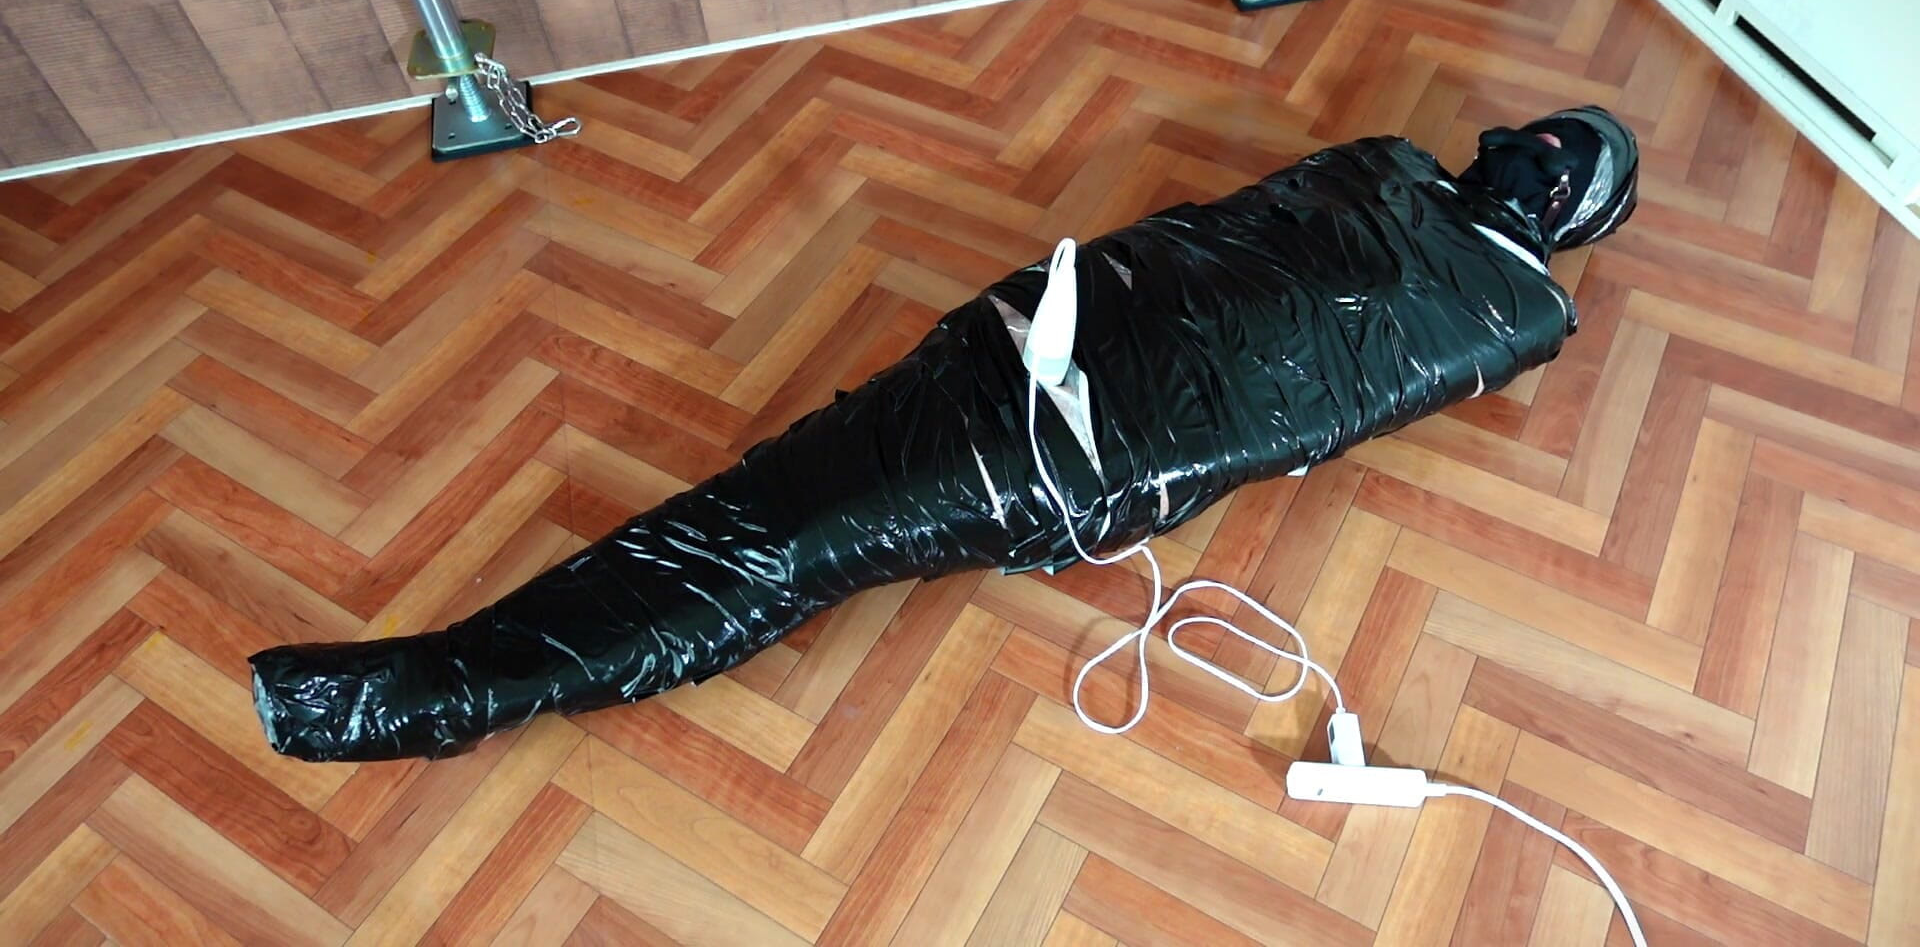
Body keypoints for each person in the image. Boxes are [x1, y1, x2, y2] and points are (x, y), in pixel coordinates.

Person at [249, 107, 1639, 763]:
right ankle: (444, 676)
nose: (1532, 149)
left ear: (1573, 218)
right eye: (1545, 131)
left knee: (787, 541)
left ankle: (425, 695)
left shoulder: (1514, 308)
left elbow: (1306, 384)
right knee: (768, 506)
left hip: (1069, 452)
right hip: (1035, 338)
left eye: (1565, 162)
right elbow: (1218, 239)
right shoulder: (1387, 165)